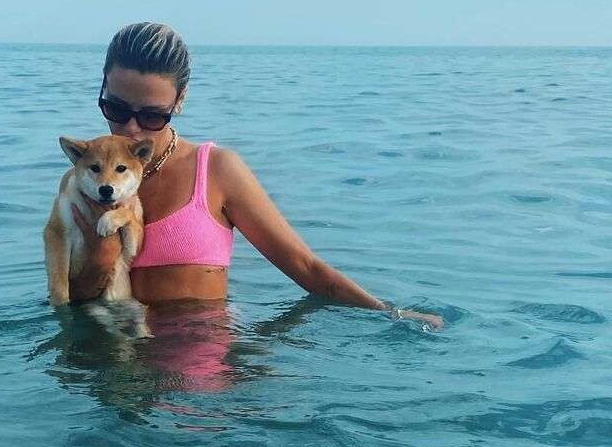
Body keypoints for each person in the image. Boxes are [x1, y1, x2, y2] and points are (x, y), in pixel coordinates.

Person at [67, 21, 444, 331]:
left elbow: (306, 267)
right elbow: (73, 297)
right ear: (103, 88)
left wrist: (390, 314)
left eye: (152, 116)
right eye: (116, 109)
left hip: (197, 372)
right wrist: (99, 257)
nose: (131, 129)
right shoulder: (89, 178)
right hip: (109, 363)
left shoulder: (215, 171)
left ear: (180, 100)